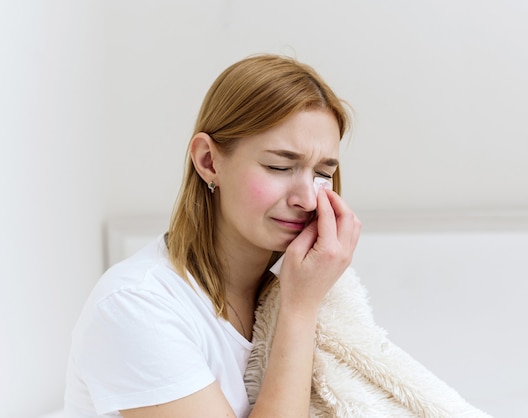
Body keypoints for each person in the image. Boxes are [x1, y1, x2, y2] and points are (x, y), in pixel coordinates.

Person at [64, 54, 361, 417]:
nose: (305, 198)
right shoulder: (134, 305)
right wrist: (299, 309)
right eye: (279, 167)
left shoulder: (288, 292)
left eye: (322, 173)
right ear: (208, 161)